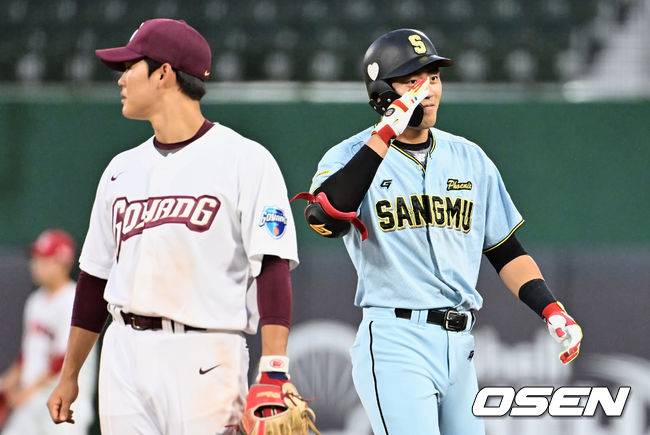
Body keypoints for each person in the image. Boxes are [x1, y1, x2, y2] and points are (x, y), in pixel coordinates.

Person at [296, 29, 583, 435]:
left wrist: (550, 308)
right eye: (412, 81)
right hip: (396, 340)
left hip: (461, 346)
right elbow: (326, 219)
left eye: (433, 77)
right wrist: (384, 134)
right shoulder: (349, 155)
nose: (427, 90)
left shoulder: (470, 158)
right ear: (382, 93)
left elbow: (505, 250)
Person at [46, 19, 300, 434]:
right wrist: (70, 374)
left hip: (205, 351)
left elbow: (272, 265)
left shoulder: (245, 159)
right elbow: (94, 278)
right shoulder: (120, 169)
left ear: (164, 73)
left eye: (129, 67)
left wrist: (274, 368)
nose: (121, 79)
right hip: (123, 353)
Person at [0, 229, 95, 435]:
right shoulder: (35, 301)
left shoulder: (74, 300)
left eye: (43, 260)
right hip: (32, 402)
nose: (35, 265)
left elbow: (64, 359)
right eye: (35, 259)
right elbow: (28, 352)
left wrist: (26, 392)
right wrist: (9, 381)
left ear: (62, 263)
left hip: (64, 403)